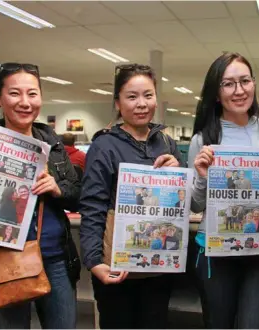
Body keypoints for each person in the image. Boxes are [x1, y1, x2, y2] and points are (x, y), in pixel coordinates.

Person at [79, 63, 184, 329]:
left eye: (148, 95)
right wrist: (93, 262)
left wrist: (178, 171)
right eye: (132, 96)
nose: (141, 104)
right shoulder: (104, 146)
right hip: (117, 267)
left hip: (158, 265)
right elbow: (92, 207)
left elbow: (184, 201)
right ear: (118, 102)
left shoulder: (166, 142)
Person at [188, 52, 259, 329]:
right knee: (217, 323)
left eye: (245, 81)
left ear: (254, 84)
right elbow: (195, 206)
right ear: (216, 93)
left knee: (254, 324)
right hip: (215, 252)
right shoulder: (203, 139)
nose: (239, 90)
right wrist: (202, 176)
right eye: (228, 83)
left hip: (258, 251)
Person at [0, 62, 81, 329]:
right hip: (3, 257)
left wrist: (57, 188)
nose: (25, 102)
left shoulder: (52, 143)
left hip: (54, 257)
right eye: (14, 93)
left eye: (32, 93)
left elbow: (77, 194)